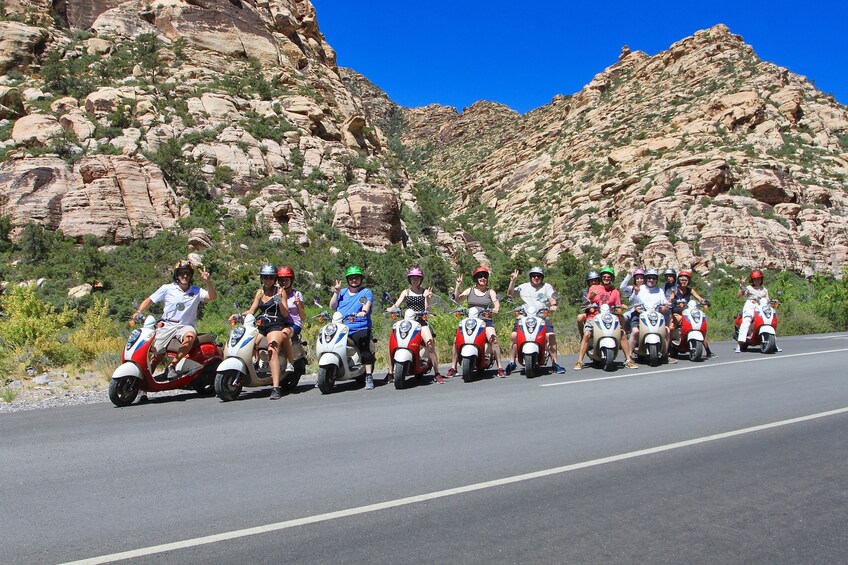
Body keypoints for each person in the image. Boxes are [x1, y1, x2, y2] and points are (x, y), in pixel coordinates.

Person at [133, 260, 217, 399]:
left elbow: (212, 297)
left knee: (189, 337)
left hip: (185, 326)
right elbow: (150, 300)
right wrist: (139, 311)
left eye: (187, 274)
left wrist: (207, 282)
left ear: (191, 276)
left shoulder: (196, 291)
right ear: (177, 275)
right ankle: (143, 388)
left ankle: (172, 366)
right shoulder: (167, 288)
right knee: (156, 355)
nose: (185, 276)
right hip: (166, 325)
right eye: (182, 273)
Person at [230, 264, 290, 400]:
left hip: (276, 325)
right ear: (261, 278)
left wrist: (279, 300)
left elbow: (285, 313)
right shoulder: (260, 292)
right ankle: (257, 366)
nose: (267, 280)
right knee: (249, 344)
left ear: (274, 279)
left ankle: (275, 387)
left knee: (272, 349)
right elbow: (252, 311)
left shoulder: (280, 291)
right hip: (261, 324)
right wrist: (238, 315)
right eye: (265, 277)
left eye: (270, 277)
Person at [385, 267, 444, 383]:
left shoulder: (424, 292)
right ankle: (390, 372)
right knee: (393, 343)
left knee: (430, 343)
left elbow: (429, 309)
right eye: (412, 278)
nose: (415, 280)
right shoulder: (405, 292)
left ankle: (437, 373)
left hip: (421, 322)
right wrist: (391, 309)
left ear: (420, 280)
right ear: (409, 280)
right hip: (407, 322)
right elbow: (397, 304)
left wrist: (427, 297)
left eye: (417, 278)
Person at [574, 267, 638, 370]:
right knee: (586, 334)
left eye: (609, 277)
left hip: (609, 317)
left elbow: (618, 305)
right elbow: (585, 303)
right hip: (594, 316)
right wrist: (591, 298)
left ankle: (628, 359)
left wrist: (621, 306)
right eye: (604, 277)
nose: (606, 278)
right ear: (601, 278)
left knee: (622, 333)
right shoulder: (594, 288)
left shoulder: (615, 292)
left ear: (612, 278)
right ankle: (579, 361)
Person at [448, 266, 506, 377]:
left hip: (485, 320)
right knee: (456, 340)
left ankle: (500, 367)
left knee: (494, 340)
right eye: (480, 276)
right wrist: (458, 286)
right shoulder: (470, 290)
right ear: (476, 278)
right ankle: (453, 367)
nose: (483, 278)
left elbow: (495, 301)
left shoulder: (490, 291)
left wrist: (496, 308)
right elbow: (457, 299)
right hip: (470, 321)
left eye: (485, 276)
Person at [505, 266, 565, 374]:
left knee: (550, 335)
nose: (536, 278)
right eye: (533, 276)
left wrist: (553, 305)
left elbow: (552, 298)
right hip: (524, 316)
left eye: (538, 276)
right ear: (530, 277)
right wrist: (512, 281)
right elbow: (510, 294)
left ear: (542, 277)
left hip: (541, 316)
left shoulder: (546, 287)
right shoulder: (523, 286)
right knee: (514, 336)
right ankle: (511, 362)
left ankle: (555, 363)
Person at [329, 265, 375, 389]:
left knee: (364, 348)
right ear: (348, 279)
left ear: (360, 279)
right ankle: (327, 374)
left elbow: (366, 303)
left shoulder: (365, 292)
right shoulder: (342, 292)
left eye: (356, 278)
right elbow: (332, 307)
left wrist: (363, 312)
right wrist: (336, 292)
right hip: (340, 326)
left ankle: (369, 376)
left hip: (358, 326)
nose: (354, 280)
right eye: (351, 278)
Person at [631, 268, 677, 363]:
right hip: (640, 315)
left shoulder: (659, 291)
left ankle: (665, 354)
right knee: (635, 332)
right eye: (649, 278)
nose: (651, 280)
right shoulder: (640, 288)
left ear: (656, 279)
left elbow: (663, 300)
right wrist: (635, 293)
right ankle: (629, 356)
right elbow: (632, 300)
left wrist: (668, 302)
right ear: (646, 278)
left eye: (653, 278)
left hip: (655, 316)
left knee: (667, 330)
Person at [668, 270, 713, 357]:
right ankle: (669, 347)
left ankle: (708, 350)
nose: (683, 281)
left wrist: (704, 302)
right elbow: (670, 299)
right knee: (671, 328)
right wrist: (674, 301)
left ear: (688, 281)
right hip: (677, 312)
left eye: (685, 280)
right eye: (681, 279)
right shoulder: (675, 290)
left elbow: (699, 298)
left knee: (699, 326)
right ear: (679, 280)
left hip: (688, 312)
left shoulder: (690, 290)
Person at [735, 269, 778, 352]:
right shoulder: (748, 288)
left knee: (770, 321)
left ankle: (774, 344)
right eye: (755, 279)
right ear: (752, 280)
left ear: (761, 279)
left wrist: (774, 302)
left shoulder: (765, 290)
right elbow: (739, 295)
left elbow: (768, 301)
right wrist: (741, 285)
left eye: (758, 279)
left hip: (761, 308)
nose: (757, 280)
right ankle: (740, 345)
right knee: (747, 321)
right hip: (750, 306)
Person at [576, 270, 601, 339]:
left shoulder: (603, 289)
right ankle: (582, 336)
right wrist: (591, 297)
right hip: (590, 313)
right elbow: (584, 304)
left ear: (599, 281)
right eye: (591, 281)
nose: (593, 282)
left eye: (595, 280)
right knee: (579, 317)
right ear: (588, 282)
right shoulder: (585, 292)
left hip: (602, 312)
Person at [620, 268, 645, 334]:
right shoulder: (632, 288)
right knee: (624, 317)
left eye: (641, 278)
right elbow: (622, 287)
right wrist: (629, 275)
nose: (639, 280)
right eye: (637, 278)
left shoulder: (647, 289)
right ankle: (625, 333)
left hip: (645, 310)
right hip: (633, 310)